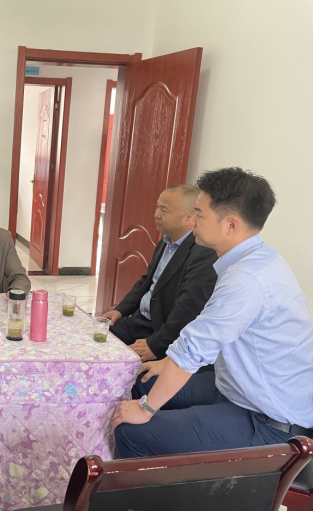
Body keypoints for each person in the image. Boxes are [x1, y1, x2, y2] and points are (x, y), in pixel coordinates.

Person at [112, 167, 313, 458]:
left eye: (199, 214)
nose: (192, 220)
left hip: (267, 420)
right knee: (140, 383)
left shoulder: (246, 278)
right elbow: (207, 337)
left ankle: (172, 488)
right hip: (237, 387)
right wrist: (165, 363)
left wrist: (146, 409)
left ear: (230, 225)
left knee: (131, 430)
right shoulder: (259, 259)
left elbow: (194, 348)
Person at [102, 184, 217, 361]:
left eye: (164, 210)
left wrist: (156, 345)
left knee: (119, 366)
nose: (156, 214)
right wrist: (120, 310)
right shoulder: (165, 241)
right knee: (92, 340)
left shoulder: (203, 252)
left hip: (161, 332)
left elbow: (188, 308)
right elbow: (147, 281)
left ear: (189, 217)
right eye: (157, 207)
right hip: (138, 321)